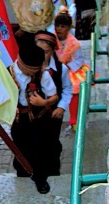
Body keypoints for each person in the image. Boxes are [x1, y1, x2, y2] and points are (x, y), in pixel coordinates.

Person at [10, 38, 58, 194]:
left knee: (40, 149)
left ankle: (40, 178)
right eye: (30, 70)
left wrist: (43, 102)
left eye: (35, 70)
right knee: (20, 149)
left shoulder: (42, 74)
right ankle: (23, 175)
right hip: (18, 119)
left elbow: (54, 97)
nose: (33, 73)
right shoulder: (7, 73)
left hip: (38, 119)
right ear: (20, 62)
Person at [34, 30, 73, 176]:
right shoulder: (29, 67)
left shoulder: (60, 69)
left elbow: (67, 89)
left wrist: (62, 107)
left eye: (46, 52)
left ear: (52, 51)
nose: (42, 56)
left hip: (53, 114)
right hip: (33, 114)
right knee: (35, 143)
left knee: (52, 144)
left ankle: (52, 171)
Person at [53, 11, 90, 131]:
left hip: (71, 69)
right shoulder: (52, 39)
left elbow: (79, 60)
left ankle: (74, 119)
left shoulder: (74, 43)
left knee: (74, 90)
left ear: (68, 28)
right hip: (54, 68)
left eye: (62, 26)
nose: (59, 29)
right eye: (57, 26)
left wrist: (68, 66)